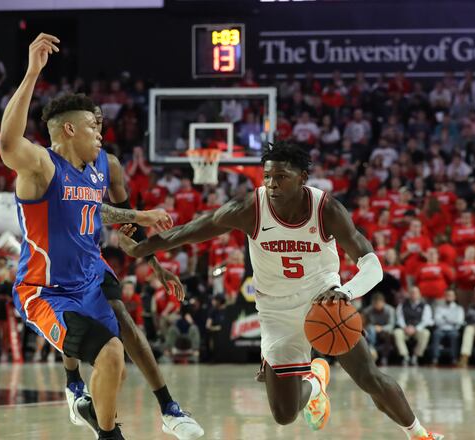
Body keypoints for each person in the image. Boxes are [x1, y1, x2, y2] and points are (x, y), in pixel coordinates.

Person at [118, 141, 445, 439]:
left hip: (324, 299)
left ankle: (420, 433)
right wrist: (141, 249)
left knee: (368, 376)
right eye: (267, 177)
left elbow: (371, 263)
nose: (272, 184)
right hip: (275, 311)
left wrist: (346, 291)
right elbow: (191, 231)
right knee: (284, 415)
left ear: (302, 177)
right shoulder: (249, 208)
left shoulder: (326, 209)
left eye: (281, 177)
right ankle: (316, 381)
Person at [0, 34, 182, 440]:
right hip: (46, 290)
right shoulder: (42, 167)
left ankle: (113, 414)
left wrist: (153, 260)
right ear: (68, 129)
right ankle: (93, 410)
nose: (99, 132)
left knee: (118, 348)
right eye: (91, 126)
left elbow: (105, 214)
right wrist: (32, 73)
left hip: (87, 277)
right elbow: (8, 144)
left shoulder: (95, 168)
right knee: (107, 348)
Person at [57, 106, 203, 439]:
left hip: (91, 259)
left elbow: (127, 220)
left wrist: (156, 267)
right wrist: (139, 216)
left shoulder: (108, 165)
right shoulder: (53, 166)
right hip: (56, 266)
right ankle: (73, 384)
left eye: (99, 122)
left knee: (126, 323)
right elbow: (116, 213)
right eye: (91, 122)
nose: (97, 128)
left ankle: (168, 407)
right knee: (74, 323)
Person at [394, 286, 434, 366]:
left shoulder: (425, 306)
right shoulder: (402, 305)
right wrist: (405, 327)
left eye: (415, 293)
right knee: (397, 332)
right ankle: (405, 356)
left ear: (420, 294)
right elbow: (399, 318)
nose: (413, 295)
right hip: (405, 329)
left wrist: (415, 329)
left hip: (418, 330)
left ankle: (416, 356)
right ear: (409, 294)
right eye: (412, 293)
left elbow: (426, 321)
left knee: (426, 333)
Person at [430, 289, 464, 366]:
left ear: (455, 297)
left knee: (454, 335)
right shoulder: (439, 307)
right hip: (440, 329)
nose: (449, 297)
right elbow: (437, 321)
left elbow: (459, 321)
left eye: (451, 295)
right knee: (436, 334)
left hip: (453, 329)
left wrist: (445, 318)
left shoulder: (459, 308)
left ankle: (454, 358)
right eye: (447, 295)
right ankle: (435, 358)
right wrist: (451, 320)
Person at [362, 292, 396, 366]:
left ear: (383, 302)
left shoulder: (390, 310)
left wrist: (381, 328)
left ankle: (384, 357)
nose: (377, 306)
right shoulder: (368, 310)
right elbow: (363, 321)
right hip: (372, 331)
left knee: (388, 334)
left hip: (385, 331)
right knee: (368, 330)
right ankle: (371, 349)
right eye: (375, 304)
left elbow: (392, 325)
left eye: (378, 303)